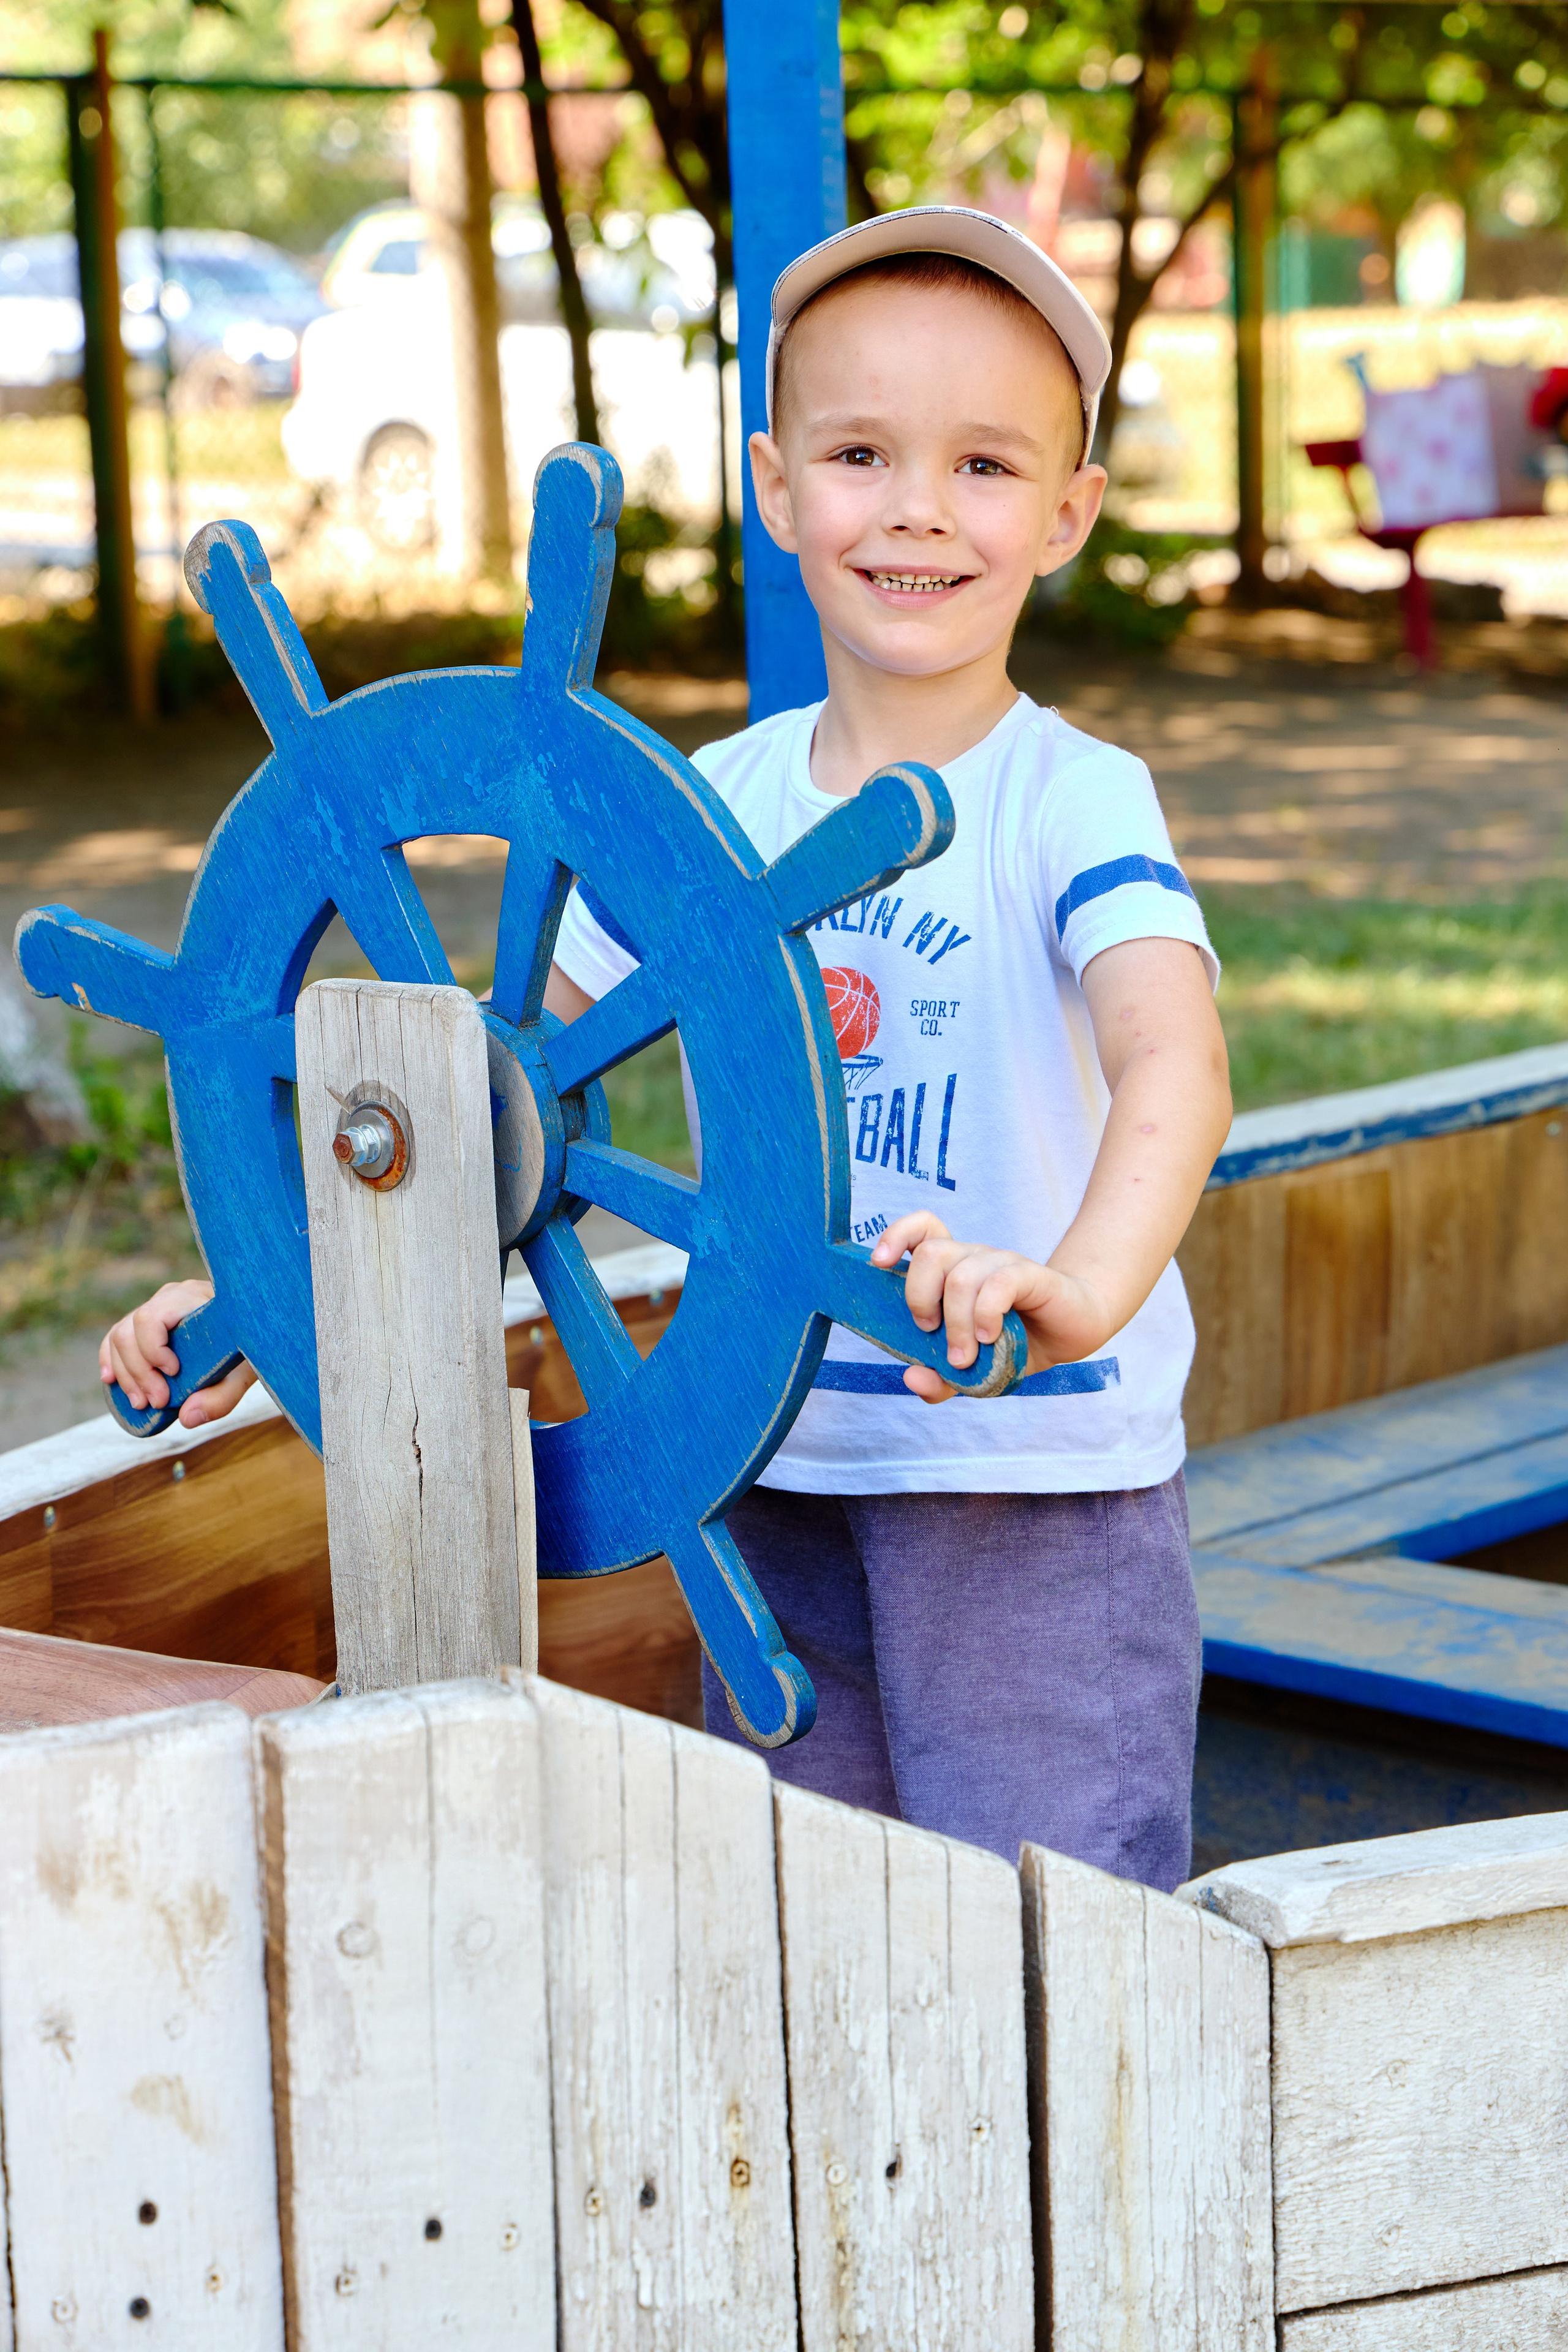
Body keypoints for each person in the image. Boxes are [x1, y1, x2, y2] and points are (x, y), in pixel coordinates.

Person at [102, 206, 1231, 1893]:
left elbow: (1176, 1067)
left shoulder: (1070, 802)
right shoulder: (719, 809)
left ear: (1068, 515)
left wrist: (1079, 1280)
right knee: (806, 1916)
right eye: (863, 453)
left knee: (1064, 1920)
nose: (919, 507)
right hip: (756, 1456)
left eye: (985, 468)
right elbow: (495, 1098)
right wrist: (281, 1291)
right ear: (777, 487)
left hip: (1024, 1480)